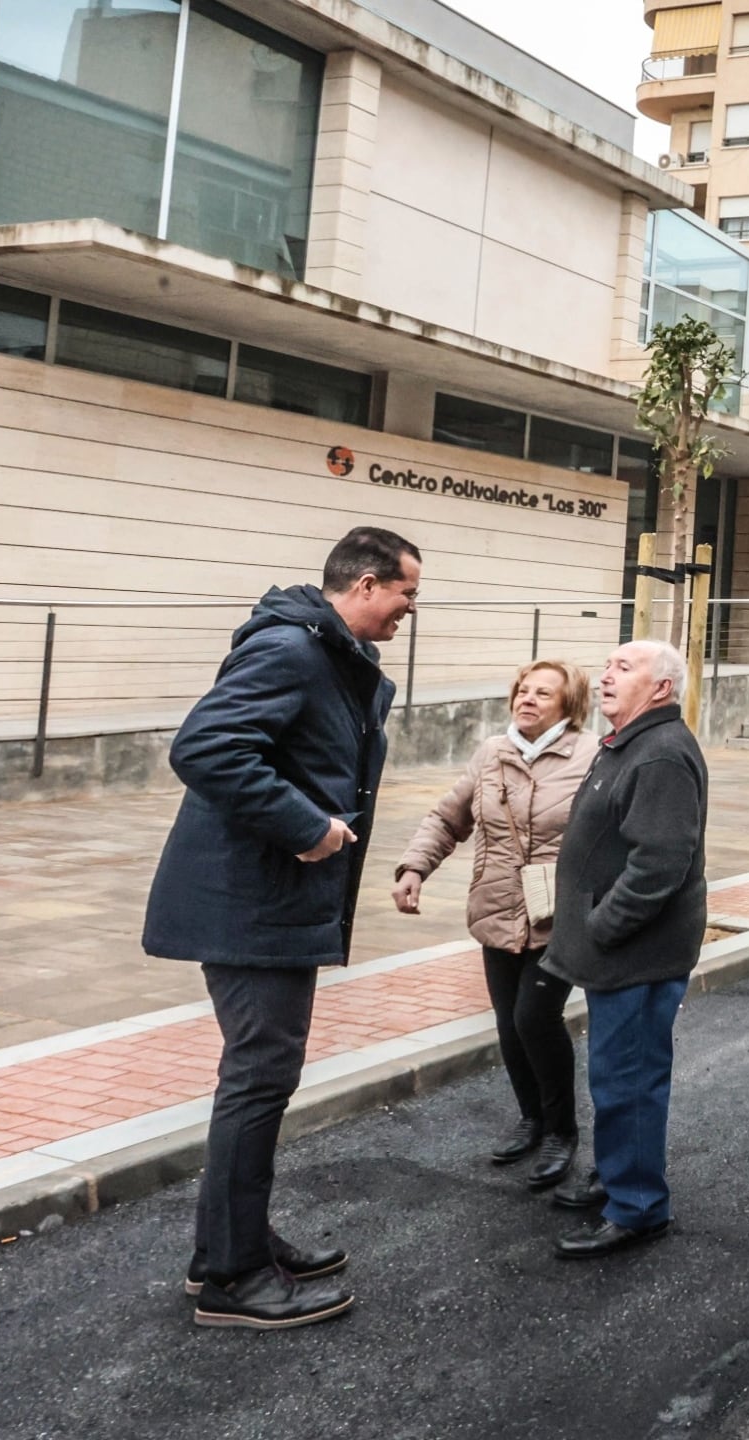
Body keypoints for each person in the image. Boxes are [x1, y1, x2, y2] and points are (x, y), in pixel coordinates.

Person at [144, 526, 419, 1330]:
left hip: (271, 904)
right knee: (259, 1080)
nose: (410, 610)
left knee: (259, 1078)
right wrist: (307, 826)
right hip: (253, 905)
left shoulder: (326, 655)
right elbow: (205, 746)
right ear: (365, 585)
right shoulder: (293, 652)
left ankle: (229, 1248)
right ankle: (234, 1276)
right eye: (406, 593)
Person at [392, 660, 594, 1193]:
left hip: (558, 914)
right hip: (497, 907)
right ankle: (531, 1118)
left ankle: (561, 1131)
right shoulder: (492, 751)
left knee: (535, 1016)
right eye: (522, 691)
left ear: (568, 705)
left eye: (542, 693)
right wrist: (415, 868)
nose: (526, 699)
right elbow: (447, 817)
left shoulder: (591, 755)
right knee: (508, 1022)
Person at [542, 641, 709, 1259]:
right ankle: (618, 1177)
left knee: (629, 1080)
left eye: (625, 668)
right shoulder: (628, 743)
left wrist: (602, 927)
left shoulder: (660, 753)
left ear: (661, 689)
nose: (606, 675)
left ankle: (638, 1208)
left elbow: (660, 863)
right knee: (615, 1075)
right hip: (617, 950)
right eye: (607, 665)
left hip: (636, 952)